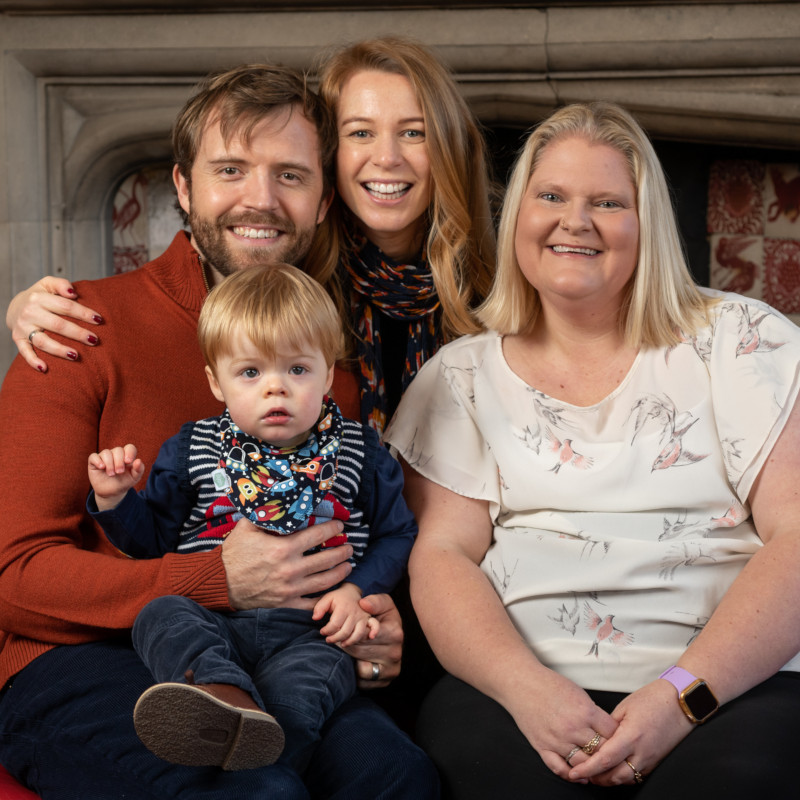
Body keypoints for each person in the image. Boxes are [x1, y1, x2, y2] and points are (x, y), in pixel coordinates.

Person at [0, 63, 439, 799]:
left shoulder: (322, 368)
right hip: (73, 662)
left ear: (325, 200)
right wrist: (213, 583)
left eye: (290, 175)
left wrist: (372, 613)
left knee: (396, 776)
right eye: (230, 170)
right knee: (255, 790)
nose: (259, 200)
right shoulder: (77, 330)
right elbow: (12, 577)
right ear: (183, 187)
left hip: (282, 653)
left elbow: (368, 531)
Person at [385, 101, 800, 799]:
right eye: (551, 196)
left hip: (727, 685)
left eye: (607, 202)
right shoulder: (458, 377)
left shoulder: (741, 341)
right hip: (521, 688)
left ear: (647, 226)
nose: (574, 220)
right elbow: (442, 557)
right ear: (520, 214)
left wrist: (679, 699)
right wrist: (529, 693)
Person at [8, 36, 497, 438]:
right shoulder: (295, 290)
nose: (386, 157)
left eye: (414, 132)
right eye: (360, 133)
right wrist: (26, 306)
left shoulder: (505, 290)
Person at [87, 263, 417, 774]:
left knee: (309, 689)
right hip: (213, 618)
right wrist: (116, 500)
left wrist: (359, 591)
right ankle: (217, 693)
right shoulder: (191, 449)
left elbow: (397, 533)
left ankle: (266, 756)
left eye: (298, 370)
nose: (275, 389)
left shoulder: (361, 451)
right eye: (250, 372)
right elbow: (153, 542)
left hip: (314, 631)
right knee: (160, 614)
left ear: (329, 374)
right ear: (215, 382)